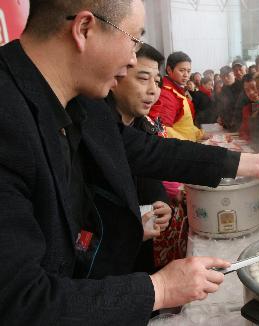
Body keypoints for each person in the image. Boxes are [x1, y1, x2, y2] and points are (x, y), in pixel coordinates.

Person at [0, 1, 259, 324]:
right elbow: (18, 300)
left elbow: (147, 150)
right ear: (84, 29)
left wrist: (248, 164)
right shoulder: (9, 118)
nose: (133, 58)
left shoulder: (82, 102)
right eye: (134, 40)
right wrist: (160, 289)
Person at [107, 42, 171, 273]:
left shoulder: (144, 127)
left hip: (140, 249)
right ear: (114, 78)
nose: (153, 90)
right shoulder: (95, 131)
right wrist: (127, 230)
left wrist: (162, 202)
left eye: (157, 81)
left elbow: (152, 177)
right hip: (106, 261)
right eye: (143, 79)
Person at [149, 51, 203, 141]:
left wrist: (201, 134)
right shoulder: (167, 94)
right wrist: (189, 146)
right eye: (182, 70)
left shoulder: (178, 90)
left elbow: (185, 125)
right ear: (169, 70)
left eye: (188, 71)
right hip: (180, 149)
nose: (186, 75)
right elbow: (163, 129)